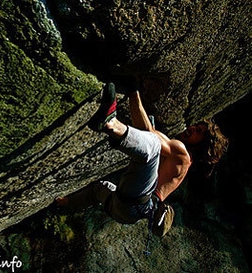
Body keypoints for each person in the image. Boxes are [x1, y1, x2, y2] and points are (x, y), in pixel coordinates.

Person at [56, 82, 228, 234]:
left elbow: (150, 138)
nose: (193, 128)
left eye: (199, 132)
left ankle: (110, 123)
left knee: (152, 144)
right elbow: (146, 132)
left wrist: (134, 90)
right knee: (99, 190)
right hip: (126, 211)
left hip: (138, 201)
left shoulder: (183, 153)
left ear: (202, 144)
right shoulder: (178, 155)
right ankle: (61, 205)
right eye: (197, 125)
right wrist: (133, 92)